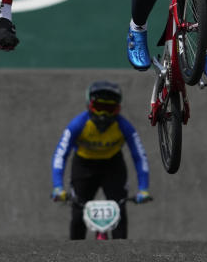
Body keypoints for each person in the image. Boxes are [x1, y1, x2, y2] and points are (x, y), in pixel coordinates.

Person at [50, 81, 151, 240]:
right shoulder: (77, 125)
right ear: (89, 106)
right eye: (99, 107)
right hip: (83, 166)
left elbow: (139, 156)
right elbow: (60, 155)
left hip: (113, 166)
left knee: (119, 213)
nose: (104, 114)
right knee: (78, 214)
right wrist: (58, 187)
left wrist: (143, 189)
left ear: (117, 109)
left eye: (109, 109)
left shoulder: (124, 126)